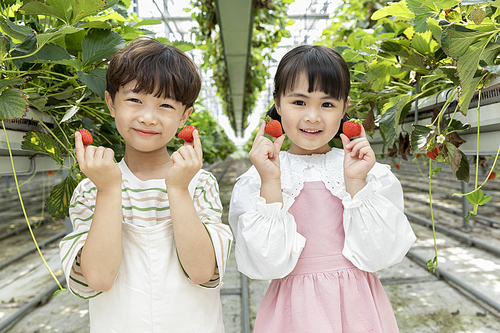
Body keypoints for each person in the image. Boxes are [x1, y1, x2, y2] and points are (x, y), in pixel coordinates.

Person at [228, 45, 416, 332]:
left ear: (344, 108)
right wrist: (270, 183)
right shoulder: (257, 180)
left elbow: (380, 255)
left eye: (327, 104)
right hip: (295, 313)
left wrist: (355, 183)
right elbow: (267, 265)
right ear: (277, 104)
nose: (313, 116)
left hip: (358, 308)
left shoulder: (369, 174)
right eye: (299, 102)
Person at [59, 37, 232, 332]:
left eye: (165, 105)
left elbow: (202, 272)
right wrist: (109, 189)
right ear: (111, 103)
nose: (148, 117)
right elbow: (99, 278)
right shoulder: (92, 189)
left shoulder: (198, 183)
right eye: (135, 100)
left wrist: (177, 189)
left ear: (184, 117)